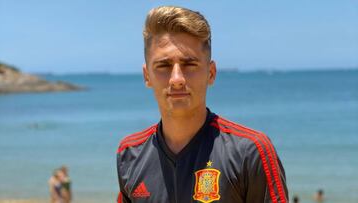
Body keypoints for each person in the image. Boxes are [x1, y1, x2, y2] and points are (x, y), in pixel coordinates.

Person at [116, 6, 288, 203]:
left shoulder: (251, 151)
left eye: (190, 65)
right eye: (163, 66)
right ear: (147, 76)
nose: (177, 79)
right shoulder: (129, 154)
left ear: (211, 73)